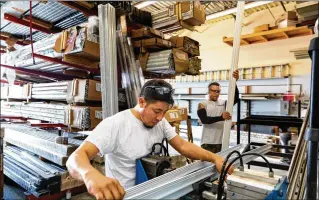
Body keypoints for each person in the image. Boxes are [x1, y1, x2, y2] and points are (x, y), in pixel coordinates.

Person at [67, 79, 233, 200]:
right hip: (126, 196)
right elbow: (75, 158)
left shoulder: (160, 122)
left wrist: (214, 157)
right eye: (156, 111)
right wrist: (90, 175)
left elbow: (182, 145)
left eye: (164, 112)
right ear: (141, 102)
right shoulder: (116, 124)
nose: (160, 118)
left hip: (155, 192)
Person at [197, 70, 240, 153]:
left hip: (221, 142)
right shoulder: (202, 104)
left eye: (218, 91)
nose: (216, 93)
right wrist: (221, 117)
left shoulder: (223, 103)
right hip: (207, 143)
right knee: (207, 165)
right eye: (214, 91)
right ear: (209, 91)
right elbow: (205, 120)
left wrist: (235, 82)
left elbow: (235, 99)